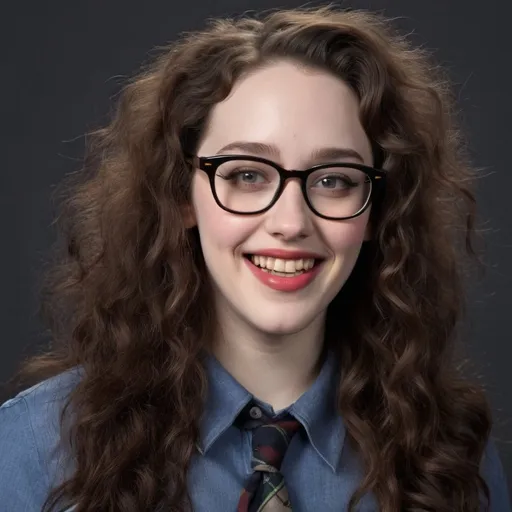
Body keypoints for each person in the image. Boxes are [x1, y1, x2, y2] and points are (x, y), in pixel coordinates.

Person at [0, 5, 510, 512]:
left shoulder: (455, 457)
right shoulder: (29, 451)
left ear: (377, 209)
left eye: (334, 180)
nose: (290, 223)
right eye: (247, 175)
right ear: (181, 196)